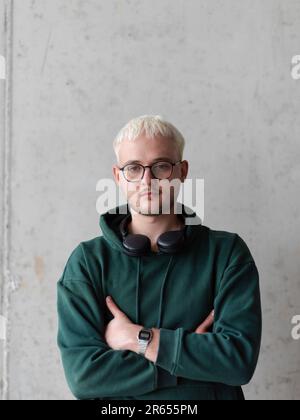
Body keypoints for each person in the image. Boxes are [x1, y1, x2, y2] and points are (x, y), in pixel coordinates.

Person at [57, 115, 262, 400]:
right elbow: (84, 377)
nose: (147, 180)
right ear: (118, 176)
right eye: (134, 168)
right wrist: (190, 360)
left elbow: (237, 362)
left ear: (182, 171)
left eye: (161, 166)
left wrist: (137, 339)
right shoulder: (88, 262)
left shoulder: (227, 253)